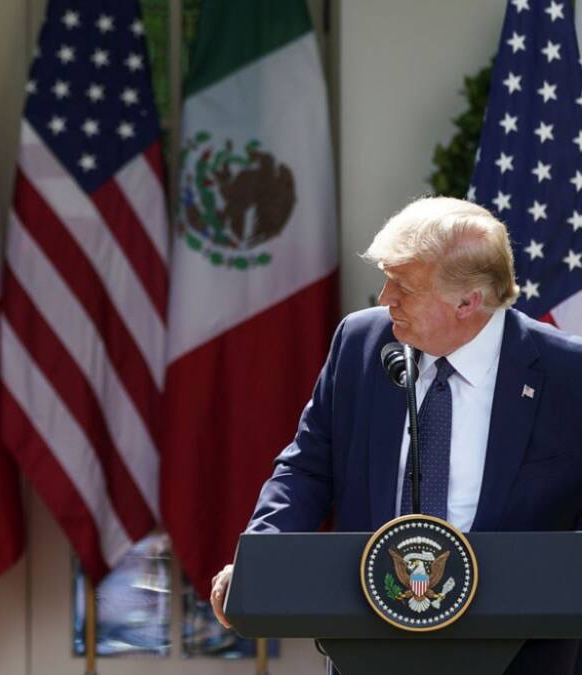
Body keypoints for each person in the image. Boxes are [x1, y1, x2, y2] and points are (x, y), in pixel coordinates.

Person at [207, 197, 582, 674]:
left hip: (521, 657)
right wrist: (261, 561)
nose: (385, 298)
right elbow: (306, 468)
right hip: (369, 647)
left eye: (404, 285)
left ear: (468, 302)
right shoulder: (362, 343)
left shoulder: (568, 374)